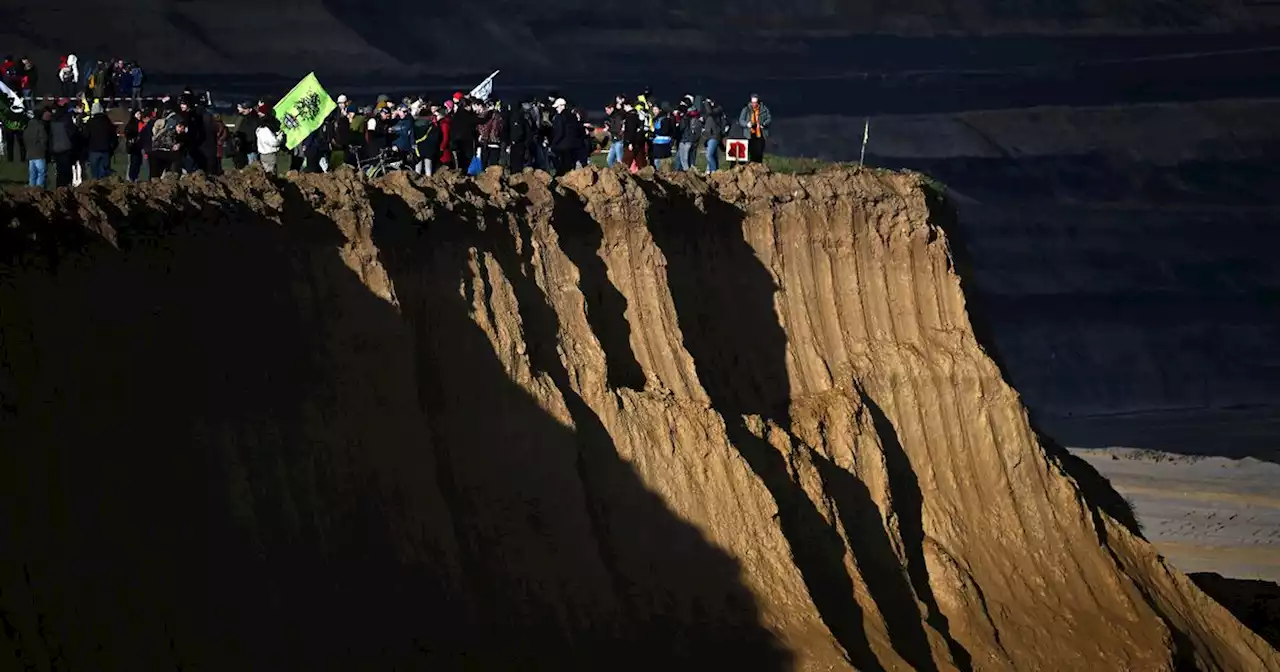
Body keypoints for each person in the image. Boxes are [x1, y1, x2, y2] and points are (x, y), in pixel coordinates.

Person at [84, 101, 118, 179]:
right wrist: (112, 148)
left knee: (95, 174)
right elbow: (114, 137)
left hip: (93, 150)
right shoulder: (107, 122)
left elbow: (85, 136)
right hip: (105, 150)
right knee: (104, 174)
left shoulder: (90, 122)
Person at [149, 103, 182, 178]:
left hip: (155, 150)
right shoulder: (175, 120)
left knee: (154, 176)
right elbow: (169, 136)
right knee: (171, 175)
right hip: (166, 151)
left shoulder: (162, 119)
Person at [49, 104, 77, 187]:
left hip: (56, 148)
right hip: (66, 147)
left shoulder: (53, 120)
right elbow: (72, 132)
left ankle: (59, 188)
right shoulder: (67, 119)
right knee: (67, 171)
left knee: (60, 171)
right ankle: (67, 187)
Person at [738, 94, 771, 163]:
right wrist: (747, 124)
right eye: (752, 102)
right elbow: (741, 120)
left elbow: (769, 118)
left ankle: (758, 167)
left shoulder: (764, 109)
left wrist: (764, 124)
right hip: (749, 135)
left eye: (755, 102)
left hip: (760, 134)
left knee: (759, 153)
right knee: (750, 152)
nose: (754, 104)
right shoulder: (746, 109)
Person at [23, 108, 50, 188]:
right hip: (39, 153)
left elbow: (24, 139)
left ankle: (31, 191)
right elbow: (44, 138)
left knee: (32, 174)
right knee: (41, 173)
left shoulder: (27, 127)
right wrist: (44, 148)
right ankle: (39, 190)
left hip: (30, 153)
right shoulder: (40, 126)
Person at [701, 98, 726, 174]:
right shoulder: (710, 114)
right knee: (713, 155)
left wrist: (706, 103)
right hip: (709, 136)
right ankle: (715, 170)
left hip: (715, 135)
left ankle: (714, 171)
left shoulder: (718, 110)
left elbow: (710, 112)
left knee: (709, 155)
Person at [123, 108, 146, 181]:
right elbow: (127, 133)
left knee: (138, 163)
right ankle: (131, 178)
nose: (140, 115)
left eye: (140, 114)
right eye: (138, 114)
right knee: (133, 163)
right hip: (133, 147)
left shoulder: (141, 123)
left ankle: (135, 177)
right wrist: (132, 139)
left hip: (139, 146)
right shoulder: (132, 124)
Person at [650, 102, 674, 171]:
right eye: (653, 110)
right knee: (658, 161)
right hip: (657, 143)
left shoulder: (664, 119)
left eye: (655, 109)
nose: (654, 111)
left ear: (660, 110)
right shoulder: (656, 119)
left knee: (660, 161)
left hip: (662, 144)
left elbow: (664, 131)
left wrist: (654, 131)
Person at [605, 96, 627, 168]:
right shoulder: (612, 117)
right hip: (614, 141)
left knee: (619, 161)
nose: (606, 112)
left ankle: (621, 175)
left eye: (607, 110)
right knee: (609, 160)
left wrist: (608, 129)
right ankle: (615, 174)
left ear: (611, 108)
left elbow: (617, 129)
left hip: (619, 141)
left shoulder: (617, 116)